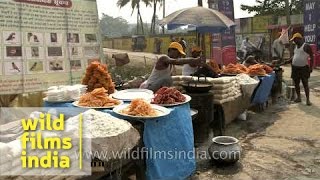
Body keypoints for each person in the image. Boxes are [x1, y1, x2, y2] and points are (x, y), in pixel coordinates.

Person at [289, 33, 314, 106]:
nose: (294, 41)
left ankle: (307, 100)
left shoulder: (306, 46)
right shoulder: (296, 46)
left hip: (303, 68)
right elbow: (294, 56)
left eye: (294, 40)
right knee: (296, 83)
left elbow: (312, 57)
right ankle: (299, 98)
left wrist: (311, 67)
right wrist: (286, 61)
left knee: (305, 84)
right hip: (295, 68)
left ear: (298, 39)